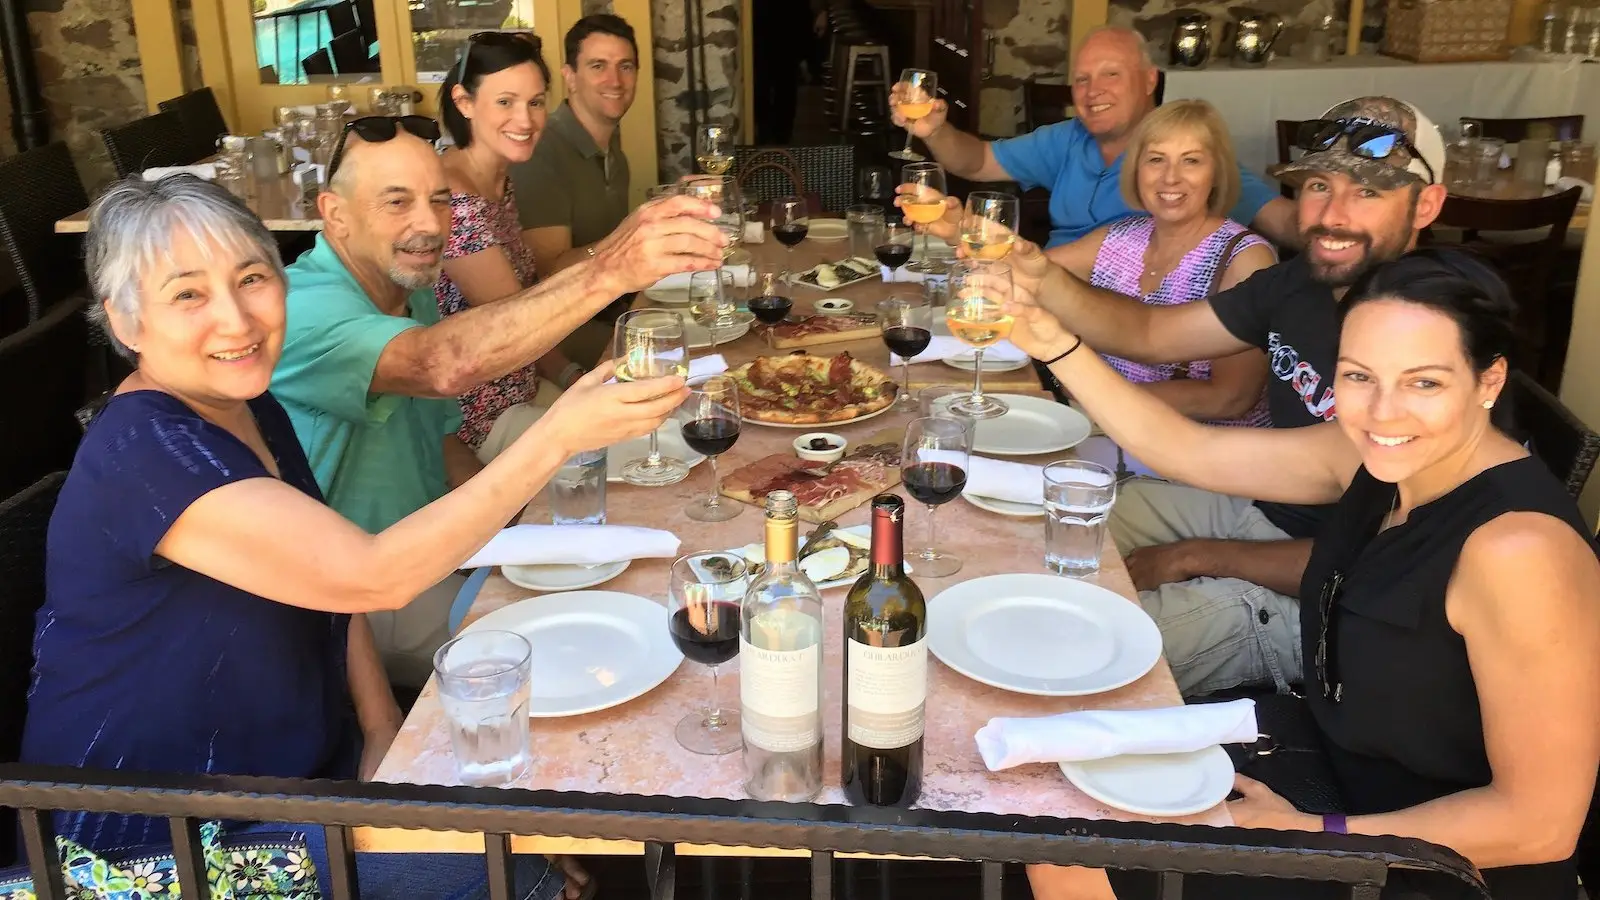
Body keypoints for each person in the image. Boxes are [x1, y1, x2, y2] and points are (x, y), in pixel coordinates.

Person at [20, 175, 687, 898]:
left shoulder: (247, 406)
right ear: (124, 322)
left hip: (290, 780)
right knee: (518, 870)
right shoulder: (146, 454)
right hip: (158, 841)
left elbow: (332, 590)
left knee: (537, 822)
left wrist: (380, 730)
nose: (237, 320)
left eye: (252, 278)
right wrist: (560, 433)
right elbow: (372, 574)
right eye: (188, 294)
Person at [1006, 248, 1600, 900]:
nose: (1384, 411)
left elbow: (1540, 826)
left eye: (1424, 382)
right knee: (1053, 792)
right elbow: (1187, 448)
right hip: (1328, 762)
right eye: (1358, 376)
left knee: (1069, 852)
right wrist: (1054, 344)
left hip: (1431, 860)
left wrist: (1316, 835)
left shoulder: (1519, 551)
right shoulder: (1374, 458)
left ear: (1489, 381)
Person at [943, 96, 1448, 697]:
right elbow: (1152, 334)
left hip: (1338, 603)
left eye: (1368, 192)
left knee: (1064, 649)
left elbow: (1376, 564)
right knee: (1026, 538)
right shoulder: (1298, 283)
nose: (1334, 214)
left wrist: (1195, 556)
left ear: (1428, 205)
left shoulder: (1430, 339)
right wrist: (1042, 278)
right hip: (1258, 506)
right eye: (1319, 184)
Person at [270, 116, 723, 687]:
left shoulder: (406, 290)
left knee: (644, 571)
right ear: (334, 212)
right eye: (396, 202)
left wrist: (517, 530)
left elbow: (445, 441)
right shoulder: (301, 306)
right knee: (597, 652)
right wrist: (613, 268)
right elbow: (440, 364)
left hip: (450, 549)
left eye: (439, 201)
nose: (428, 224)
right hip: (363, 598)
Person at [889, 26, 1296, 248]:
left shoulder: (1184, 159)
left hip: (1119, 321)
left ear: (1149, 80)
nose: (1092, 90)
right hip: (1048, 294)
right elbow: (976, 162)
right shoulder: (1067, 139)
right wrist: (935, 130)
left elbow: (1284, 221)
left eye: (1111, 74)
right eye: (1082, 79)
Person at [1045, 99, 1274, 427]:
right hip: (1114, 431)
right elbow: (1031, 269)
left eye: (1191, 161)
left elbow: (1229, 397)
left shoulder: (1244, 258)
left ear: (1217, 173)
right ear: (1136, 170)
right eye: (1156, 160)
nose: (1171, 178)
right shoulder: (1121, 237)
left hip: (1208, 457)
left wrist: (1094, 397)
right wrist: (962, 232)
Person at [436, 31, 583, 461]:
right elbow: (522, 323)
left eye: (536, 102)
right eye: (505, 102)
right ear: (463, 102)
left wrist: (572, 374)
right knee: (639, 458)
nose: (525, 120)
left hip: (526, 391)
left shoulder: (497, 181)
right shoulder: (453, 201)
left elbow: (529, 317)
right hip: (479, 419)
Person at [512, 14, 639, 279]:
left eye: (625, 66)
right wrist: (635, 236)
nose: (615, 81)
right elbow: (550, 272)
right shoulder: (540, 150)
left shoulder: (616, 154)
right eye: (598, 66)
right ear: (570, 77)